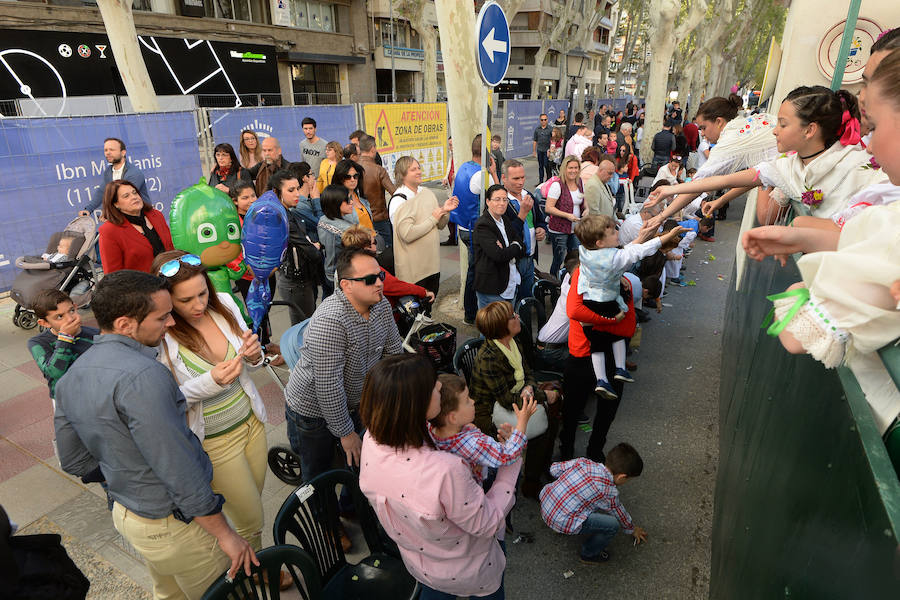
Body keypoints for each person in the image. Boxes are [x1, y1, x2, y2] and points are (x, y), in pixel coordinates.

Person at [54, 270, 258, 599]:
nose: (171, 323)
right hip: (175, 526)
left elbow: (74, 460)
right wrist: (225, 533)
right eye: (162, 317)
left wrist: (124, 461)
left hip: (129, 516)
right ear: (125, 325)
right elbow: (179, 469)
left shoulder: (70, 377)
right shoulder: (146, 375)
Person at [149, 250, 291, 589]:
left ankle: (243, 559)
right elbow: (164, 400)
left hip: (252, 423)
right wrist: (209, 382)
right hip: (213, 440)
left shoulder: (225, 303)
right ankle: (253, 571)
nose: (198, 304)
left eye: (202, 293)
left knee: (250, 506)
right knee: (251, 517)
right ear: (166, 302)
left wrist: (256, 356)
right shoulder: (161, 336)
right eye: (186, 300)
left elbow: (251, 363)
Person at [359, 355, 517, 600]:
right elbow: (487, 523)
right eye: (434, 386)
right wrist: (511, 463)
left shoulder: (371, 439)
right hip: (470, 567)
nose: (440, 386)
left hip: (421, 562)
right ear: (417, 404)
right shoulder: (445, 470)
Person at [649, 87, 889, 221]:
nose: (774, 131)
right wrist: (671, 189)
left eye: (782, 124)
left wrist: (661, 216)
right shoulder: (786, 165)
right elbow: (728, 180)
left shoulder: (859, 168)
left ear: (810, 130)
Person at [284, 247, 403, 485]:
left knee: (358, 464)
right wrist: (346, 433)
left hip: (356, 400)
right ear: (346, 285)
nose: (379, 283)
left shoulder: (380, 305)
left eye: (380, 276)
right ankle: (325, 519)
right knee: (320, 475)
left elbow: (394, 353)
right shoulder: (331, 322)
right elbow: (328, 388)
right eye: (370, 280)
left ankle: (351, 509)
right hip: (312, 412)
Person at [574, 215, 684, 398]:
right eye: (612, 231)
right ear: (600, 242)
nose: (618, 232)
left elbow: (626, 250)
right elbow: (639, 250)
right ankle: (619, 367)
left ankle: (601, 379)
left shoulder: (584, 252)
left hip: (589, 301)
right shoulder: (616, 257)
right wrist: (665, 237)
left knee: (597, 345)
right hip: (608, 302)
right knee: (617, 334)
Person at [469, 301, 560, 499]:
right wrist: (542, 395)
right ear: (502, 326)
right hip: (489, 413)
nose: (518, 317)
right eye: (513, 316)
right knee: (543, 423)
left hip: (515, 397)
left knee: (552, 415)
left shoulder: (512, 342)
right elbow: (506, 400)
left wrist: (530, 388)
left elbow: (528, 372)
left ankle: (541, 468)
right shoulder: (489, 357)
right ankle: (531, 481)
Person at [559, 260, 637, 462]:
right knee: (572, 411)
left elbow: (628, 327)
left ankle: (592, 451)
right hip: (584, 357)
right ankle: (569, 451)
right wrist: (611, 321)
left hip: (599, 359)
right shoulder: (581, 281)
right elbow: (576, 313)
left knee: (604, 411)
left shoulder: (623, 282)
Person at [540, 443, 648, 564]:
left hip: (546, 505)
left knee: (586, 501)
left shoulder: (583, 462)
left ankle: (558, 527)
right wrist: (631, 529)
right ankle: (588, 554)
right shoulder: (608, 491)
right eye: (629, 479)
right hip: (561, 521)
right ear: (621, 477)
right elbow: (619, 513)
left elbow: (554, 469)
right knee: (613, 525)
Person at [429, 373, 536, 485]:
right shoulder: (474, 444)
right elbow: (508, 455)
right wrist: (522, 422)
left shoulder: (432, 429)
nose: (473, 401)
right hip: (483, 482)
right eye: (467, 400)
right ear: (453, 418)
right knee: (514, 469)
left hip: (473, 470)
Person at [390, 156, 456, 311]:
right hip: (413, 271)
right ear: (402, 174)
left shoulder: (426, 193)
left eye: (419, 168)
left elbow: (440, 225)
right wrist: (433, 218)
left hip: (432, 266)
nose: (419, 171)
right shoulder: (399, 200)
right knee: (414, 316)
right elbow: (407, 234)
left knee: (428, 311)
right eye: (413, 169)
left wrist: (444, 212)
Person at [449, 135, 499, 323]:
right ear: (488, 155)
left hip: (462, 225)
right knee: (475, 273)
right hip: (473, 230)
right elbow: (500, 197)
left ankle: (472, 312)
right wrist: (494, 172)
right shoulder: (482, 175)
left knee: (474, 270)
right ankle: (471, 314)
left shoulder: (464, 166)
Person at [268, 171, 321, 324]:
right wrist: (314, 247)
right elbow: (312, 252)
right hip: (295, 282)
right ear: (276, 192)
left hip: (297, 280)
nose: (297, 194)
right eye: (291, 190)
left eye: (298, 188)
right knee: (303, 329)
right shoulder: (282, 218)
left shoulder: (285, 213)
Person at [340, 225, 433, 310]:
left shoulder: (346, 266)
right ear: (366, 248)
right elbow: (394, 286)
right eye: (374, 242)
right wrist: (423, 292)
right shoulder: (369, 269)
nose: (376, 245)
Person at [28, 289, 98, 399]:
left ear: (75, 306)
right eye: (60, 317)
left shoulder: (96, 334)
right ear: (45, 323)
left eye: (71, 311)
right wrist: (65, 338)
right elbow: (53, 373)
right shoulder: (38, 343)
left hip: (95, 394)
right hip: (66, 400)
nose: (70, 319)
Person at [98, 179, 173, 274]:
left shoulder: (156, 215)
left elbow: (171, 249)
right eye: (126, 196)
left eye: (135, 193)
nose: (134, 197)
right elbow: (113, 275)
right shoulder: (109, 231)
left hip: (171, 279)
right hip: (141, 286)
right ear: (116, 204)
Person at [501, 159, 548, 304]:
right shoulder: (501, 202)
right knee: (512, 301)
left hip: (530, 257)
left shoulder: (528, 195)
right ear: (504, 178)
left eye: (522, 177)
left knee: (526, 298)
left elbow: (539, 219)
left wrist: (541, 229)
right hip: (513, 261)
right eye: (516, 178)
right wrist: (522, 213)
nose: (521, 182)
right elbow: (507, 234)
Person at [473, 185, 525, 308]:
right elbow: (498, 255)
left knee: (508, 324)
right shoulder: (483, 225)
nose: (502, 203)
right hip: (493, 288)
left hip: (510, 283)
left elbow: (521, 244)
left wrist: (513, 246)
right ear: (488, 201)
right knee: (495, 326)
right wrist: (515, 246)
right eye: (497, 199)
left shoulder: (504, 219)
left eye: (505, 199)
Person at [81, 137, 150, 216]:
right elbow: (102, 191)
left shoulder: (134, 173)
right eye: (106, 150)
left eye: (112, 150)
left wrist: (107, 213)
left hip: (141, 215)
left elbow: (124, 196)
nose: (108, 153)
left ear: (123, 153)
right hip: (123, 216)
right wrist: (89, 209)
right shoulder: (108, 172)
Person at [544, 155, 585, 279]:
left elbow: (583, 201)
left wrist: (587, 210)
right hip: (559, 229)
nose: (573, 171)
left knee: (574, 257)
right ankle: (553, 281)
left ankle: (569, 281)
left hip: (576, 229)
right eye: (570, 168)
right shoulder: (557, 185)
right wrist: (567, 215)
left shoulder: (580, 182)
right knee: (559, 258)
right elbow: (548, 207)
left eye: (576, 168)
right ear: (564, 169)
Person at [358, 134, 397, 246]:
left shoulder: (353, 167)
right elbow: (394, 192)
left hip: (360, 217)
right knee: (387, 250)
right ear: (373, 148)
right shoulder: (379, 170)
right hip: (379, 218)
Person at [317, 184, 356, 291]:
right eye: (348, 200)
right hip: (340, 277)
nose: (351, 202)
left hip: (328, 273)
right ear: (336, 203)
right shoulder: (346, 229)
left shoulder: (323, 220)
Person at [287, 161, 323, 243]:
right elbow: (322, 226)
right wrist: (316, 200)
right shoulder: (299, 206)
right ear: (305, 178)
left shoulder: (309, 198)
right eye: (312, 174)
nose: (314, 178)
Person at [532, 113, 553, 182]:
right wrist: (534, 151)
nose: (543, 121)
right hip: (540, 150)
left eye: (545, 119)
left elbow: (553, 140)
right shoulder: (537, 129)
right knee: (540, 166)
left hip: (547, 151)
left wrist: (551, 150)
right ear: (540, 120)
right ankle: (540, 182)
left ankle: (548, 181)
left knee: (547, 165)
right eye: (542, 120)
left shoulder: (550, 129)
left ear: (547, 120)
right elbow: (535, 140)